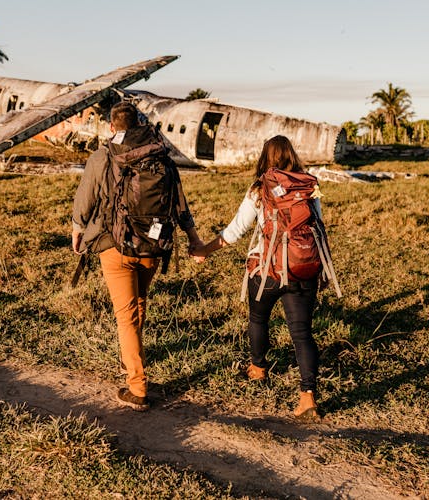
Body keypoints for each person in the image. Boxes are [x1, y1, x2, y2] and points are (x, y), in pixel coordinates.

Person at [72, 101, 203, 411]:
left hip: (114, 245)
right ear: (140, 123)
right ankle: (128, 359)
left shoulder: (103, 155)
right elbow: (180, 204)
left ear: (111, 127)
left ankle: (137, 386)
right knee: (139, 304)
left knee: (126, 316)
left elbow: (86, 197)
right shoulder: (160, 155)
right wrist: (194, 238)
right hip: (152, 244)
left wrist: (78, 230)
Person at [190, 135, 324, 421]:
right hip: (303, 268)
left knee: (258, 319)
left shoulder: (258, 190)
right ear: (292, 156)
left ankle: (258, 368)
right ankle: (307, 396)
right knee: (302, 333)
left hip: (267, 272)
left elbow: (234, 231)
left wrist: (204, 250)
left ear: (265, 158)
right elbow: (319, 230)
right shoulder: (308, 187)